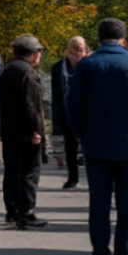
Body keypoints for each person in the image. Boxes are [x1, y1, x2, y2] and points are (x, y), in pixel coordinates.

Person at [66, 18, 128, 255]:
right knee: (127, 205)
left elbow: (72, 106)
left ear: (99, 37)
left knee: (99, 204)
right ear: (123, 39)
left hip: (97, 147)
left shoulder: (86, 66)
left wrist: (83, 135)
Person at [0, 34, 46, 229]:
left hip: (9, 129)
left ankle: (12, 210)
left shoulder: (8, 69)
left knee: (11, 170)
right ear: (33, 54)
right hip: (27, 131)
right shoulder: (27, 72)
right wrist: (35, 130)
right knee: (28, 172)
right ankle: (26, 213)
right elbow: (30, 105)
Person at [51, 36, 87, 190]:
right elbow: (56, 95)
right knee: (70, 146)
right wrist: (57, 119)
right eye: (75, 49)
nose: (78, 52)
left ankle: (94, 177)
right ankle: (73, 177)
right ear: (68, 50)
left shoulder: (89, 66)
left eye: (81, 49)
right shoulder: (58, 68)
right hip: (67, 112)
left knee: (89, 146)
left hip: (87, 112)